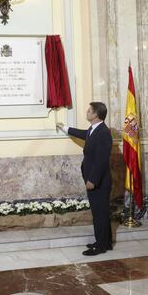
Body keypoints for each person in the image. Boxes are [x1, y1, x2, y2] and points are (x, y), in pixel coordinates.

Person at [57, 102, 113, 256]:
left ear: (95, 114)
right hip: (95, 179)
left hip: (99, 181)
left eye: (89, 110)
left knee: (99, 213)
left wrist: (92, 180)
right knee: (100, 212)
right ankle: (105, 242)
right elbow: (83, 134)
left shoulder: (103, 132)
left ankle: (100, 246)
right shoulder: (94, 129)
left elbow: (102, 160)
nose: (87, 112)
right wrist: (65, 128)